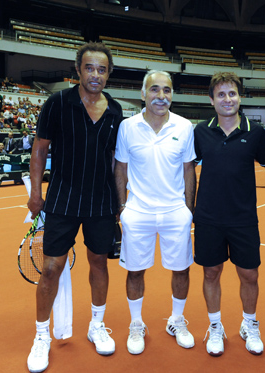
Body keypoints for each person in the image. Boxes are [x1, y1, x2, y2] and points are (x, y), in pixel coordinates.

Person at [26, 41, 123, 373]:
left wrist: (119, 202)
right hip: (63, 200)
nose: (95, 74)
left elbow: (114, 160)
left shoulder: (116, 110)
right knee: (51, 268)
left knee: (99, 264)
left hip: (101, 201)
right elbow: (39, 151)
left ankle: (97, 325)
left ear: (108, 74)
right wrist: (36, 193)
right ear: (78, 70)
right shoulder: (57, 102)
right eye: (89, 68)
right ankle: (41, 336)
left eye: (102, 69)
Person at [114, 70, 196, 355]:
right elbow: (120, 168)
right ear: (143, 93)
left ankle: (176, 320)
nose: (161, 96)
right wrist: (123, 207)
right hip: (138, 212)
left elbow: (189, 169)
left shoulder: (185, 127)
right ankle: (136, 324)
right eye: (155, 90)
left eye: (167, 90)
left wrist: (188, 209)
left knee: (181, 268)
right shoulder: (127, 127)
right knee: (135, 271)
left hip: (175, 211)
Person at [193, 72, 265, 357]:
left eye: (232, 94)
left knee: (249, 274)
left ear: (239, 97)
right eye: (221, 94)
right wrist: (189, 208)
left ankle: (249, 324)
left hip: (243, 219)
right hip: (208, 218)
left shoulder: (256, 132)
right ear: (212, 100)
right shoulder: (200, 131)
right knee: (211, 272)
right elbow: (185, 169)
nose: (227, 99)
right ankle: (215, 326)